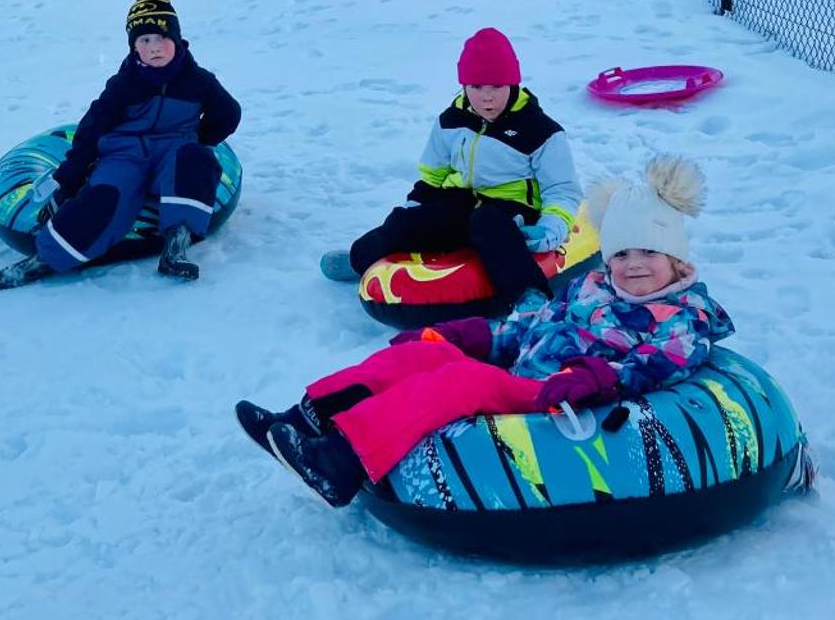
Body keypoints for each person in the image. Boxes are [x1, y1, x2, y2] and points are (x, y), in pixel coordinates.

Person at [239, 155, 730, 506]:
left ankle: (341, 463)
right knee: (421, 357)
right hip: (528, 372)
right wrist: (469, 336)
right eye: (622, 253)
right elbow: (533, 324)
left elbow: (657, 366)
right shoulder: (593, 289)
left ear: (676, 258)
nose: (634, 265)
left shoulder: (685, 315)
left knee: (462, 383)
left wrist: (596, 377)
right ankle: (307, 419)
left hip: (563, 396)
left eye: (648, 252)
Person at [0, 0, 241, 289]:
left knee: (196, 160)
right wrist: (68, 179)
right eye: (144, 41)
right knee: (107, 197)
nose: (153, 48)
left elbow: (229, 114)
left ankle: (176, 245)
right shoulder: (123, 85)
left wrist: (199, 139)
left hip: (173, 149)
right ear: (133, 47)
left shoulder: (198, 81)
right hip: (125, 154)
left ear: (176, 39)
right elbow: (90, 129)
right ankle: (46, 258)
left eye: (160, 38)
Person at [319, 26, 580, 308]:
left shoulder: (540, 130)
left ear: (513, 83)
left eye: (497, 86)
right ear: (464, 85)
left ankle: (527, 294)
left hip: (512, 211)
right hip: (461, 203)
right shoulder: (451, 121)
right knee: (405, 221)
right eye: (476, 87)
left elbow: (562, 190)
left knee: (488, 223)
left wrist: (550, 229)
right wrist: (413, 212)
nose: (487, 97)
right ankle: (360, 257)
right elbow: (433, 176)